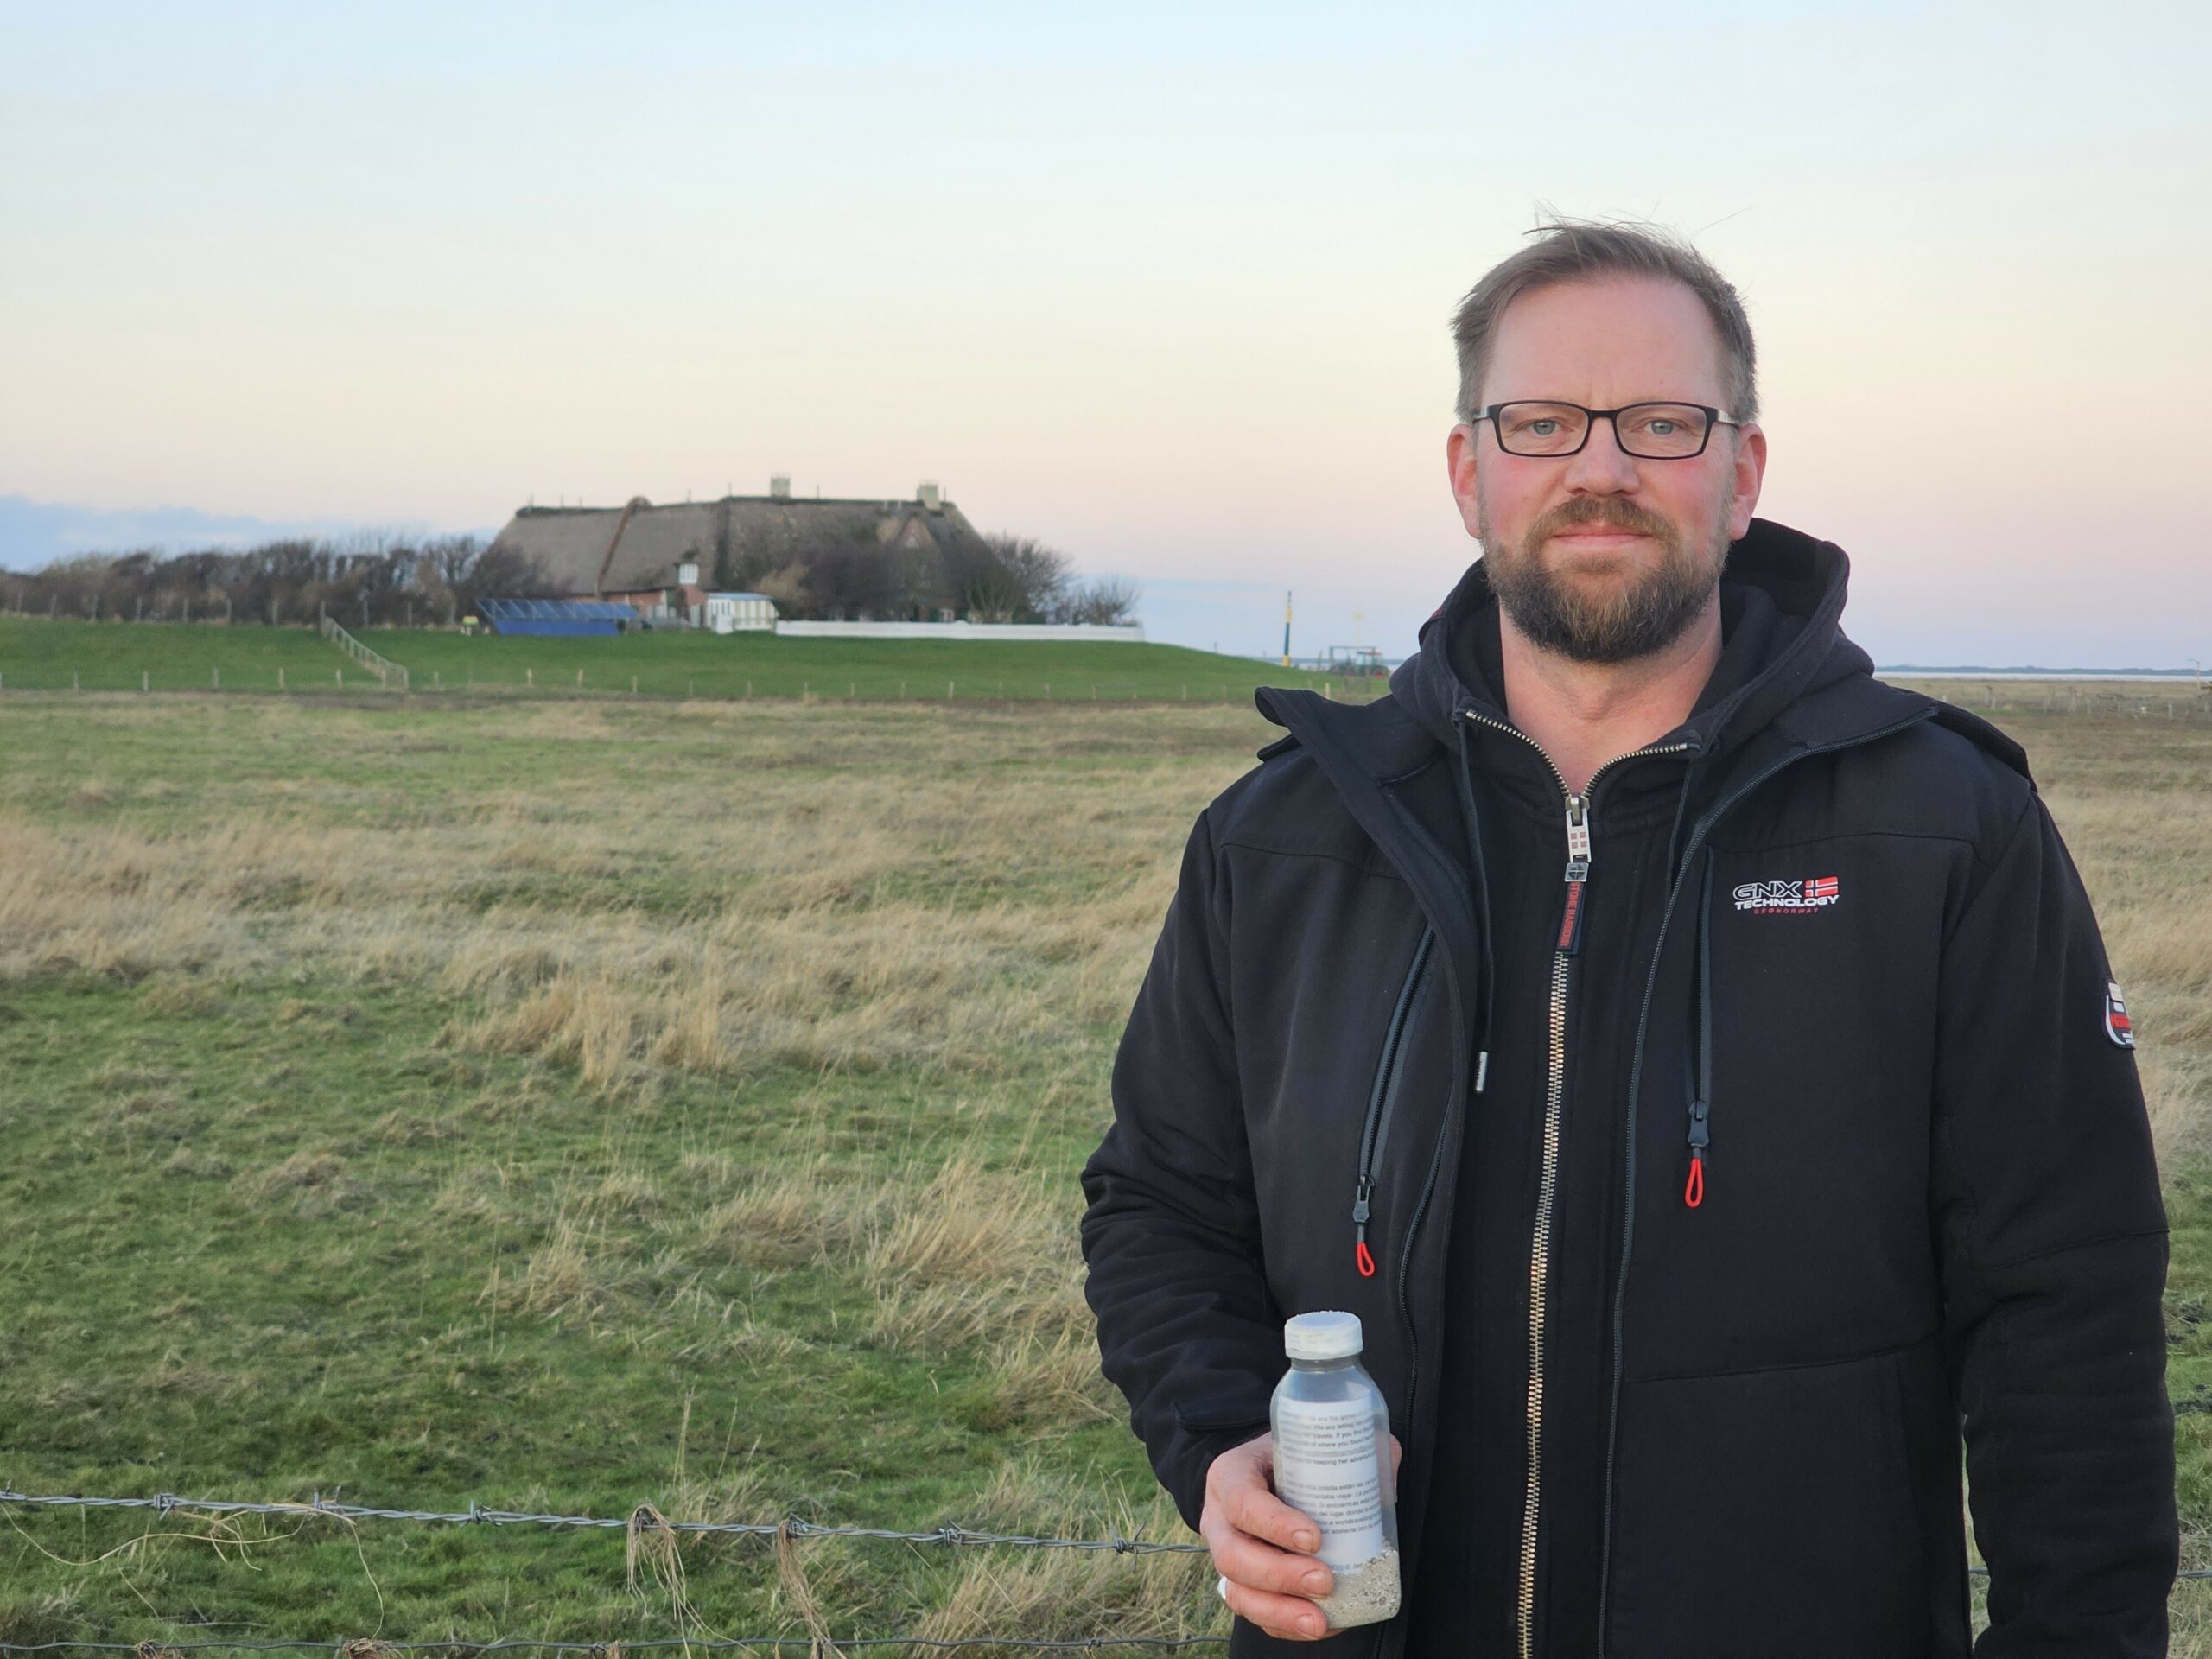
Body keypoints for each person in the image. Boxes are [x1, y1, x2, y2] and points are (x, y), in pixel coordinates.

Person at [1079, 220, 2176, 1657]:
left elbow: (2068, 1313)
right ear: (1471, 475)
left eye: (1663, 422)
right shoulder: (1284, 842)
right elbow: (1159, 1205)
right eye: (1541, 423)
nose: (1601, 468)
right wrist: (1222, 1441)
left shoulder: (1944, 835)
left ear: (1742, 476)